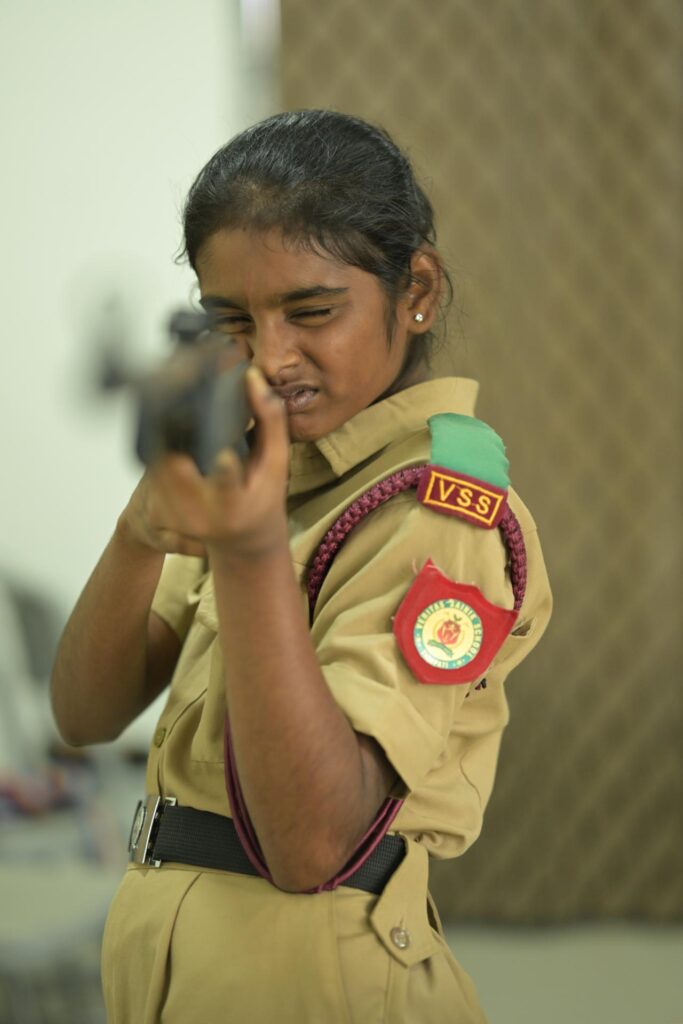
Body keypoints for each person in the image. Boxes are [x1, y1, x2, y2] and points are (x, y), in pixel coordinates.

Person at [51, 110, 552, 1024]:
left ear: (417, 291)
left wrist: (247, 554)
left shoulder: (435, 510)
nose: (272, 356)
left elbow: (314, 843)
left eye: (312, 312)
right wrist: (140, 529)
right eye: (232, 320)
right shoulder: (271, 474)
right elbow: (86, 713)